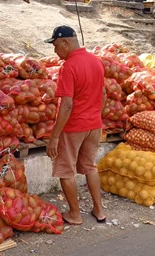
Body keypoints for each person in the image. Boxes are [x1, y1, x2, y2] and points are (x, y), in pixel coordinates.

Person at [44, 25, 106, 225]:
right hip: (94, 125)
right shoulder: (96, 62)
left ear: (65, 42)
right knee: (90, 167)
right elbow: (103, 95)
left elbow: (67, 104)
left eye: (55, 46)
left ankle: (75, 214)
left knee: (65, 171)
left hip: (74, 127)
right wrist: (95, 116)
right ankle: (99, 210)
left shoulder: (69, 66)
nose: (55, 51)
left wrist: (54, 137)